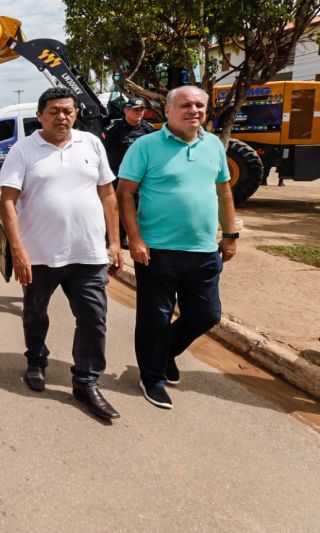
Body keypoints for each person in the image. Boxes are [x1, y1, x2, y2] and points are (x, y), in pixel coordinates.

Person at [0, 87, 123, 421]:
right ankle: (36, 359)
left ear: (76, 113)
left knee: (94, 317)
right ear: (40, 115)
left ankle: (86, 382)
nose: (62, 116)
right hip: (39, 254)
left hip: (88, 252)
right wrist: (18, 251)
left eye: (67, 110)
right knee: (36, 312)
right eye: (53, 111)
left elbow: (108, 194)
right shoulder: (23, 151)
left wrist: (115, 242)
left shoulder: (92, 144)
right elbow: (7, 201)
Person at [117, 85, 237, 410]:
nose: (193, 111)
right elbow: (124, 193)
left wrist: (230, 234)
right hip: (157, 251)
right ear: (168, 111)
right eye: (185, 105)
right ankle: (152, 377)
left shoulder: (213, 145)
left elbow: (224, 192)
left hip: (203, 250)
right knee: (154, 318)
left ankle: (166, 350)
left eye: (200, 105)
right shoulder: (145, 146)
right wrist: (135, 239)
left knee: (206, 315)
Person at [102, 97, 154, 247]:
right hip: (118, 175)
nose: (139, 112)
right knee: (119, 206)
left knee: (140, 206)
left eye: (142, 109)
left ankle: (139, 235)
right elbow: (102, 151)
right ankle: (118, 237)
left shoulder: (147, 129)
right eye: (135, 109)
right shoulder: (113, 130)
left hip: (142, 177)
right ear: (126, 110)